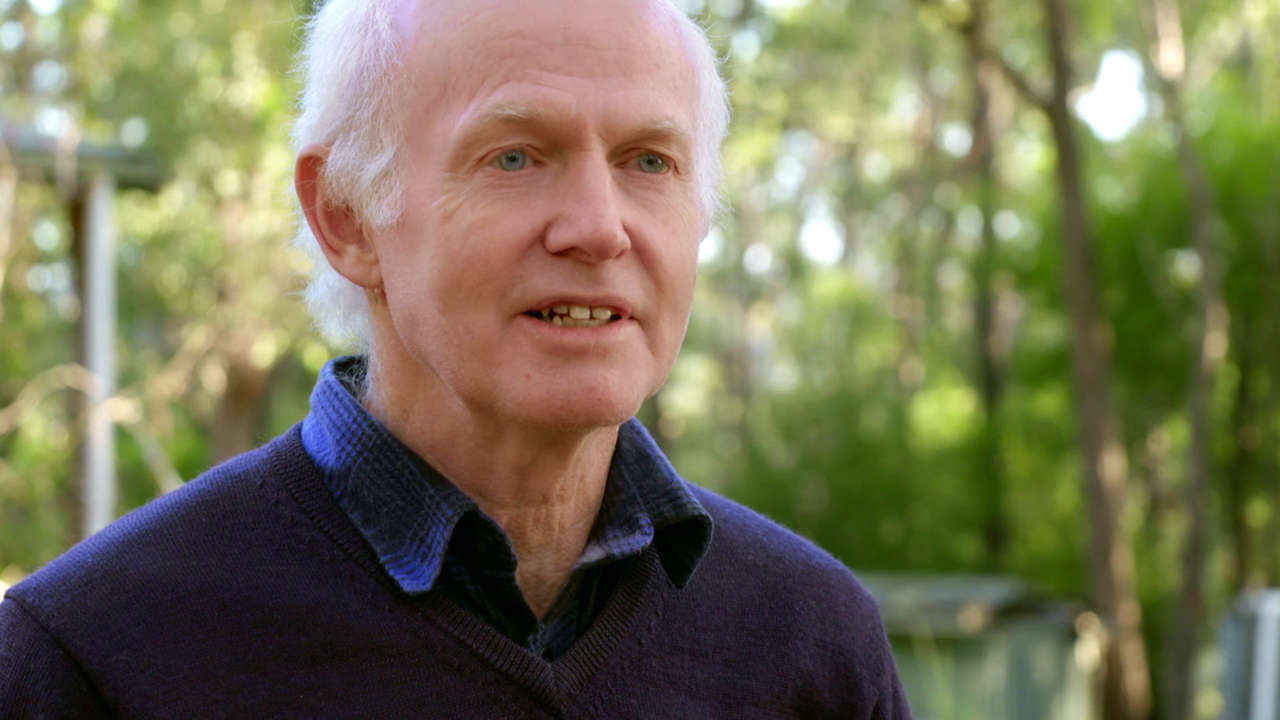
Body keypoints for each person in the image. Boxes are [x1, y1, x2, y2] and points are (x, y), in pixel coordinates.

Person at [0, 0, 911, 716]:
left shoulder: (811, 643)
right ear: (347, 217)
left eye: (649, 162)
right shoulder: (94, 656)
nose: (599, 228)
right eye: (515, 158)